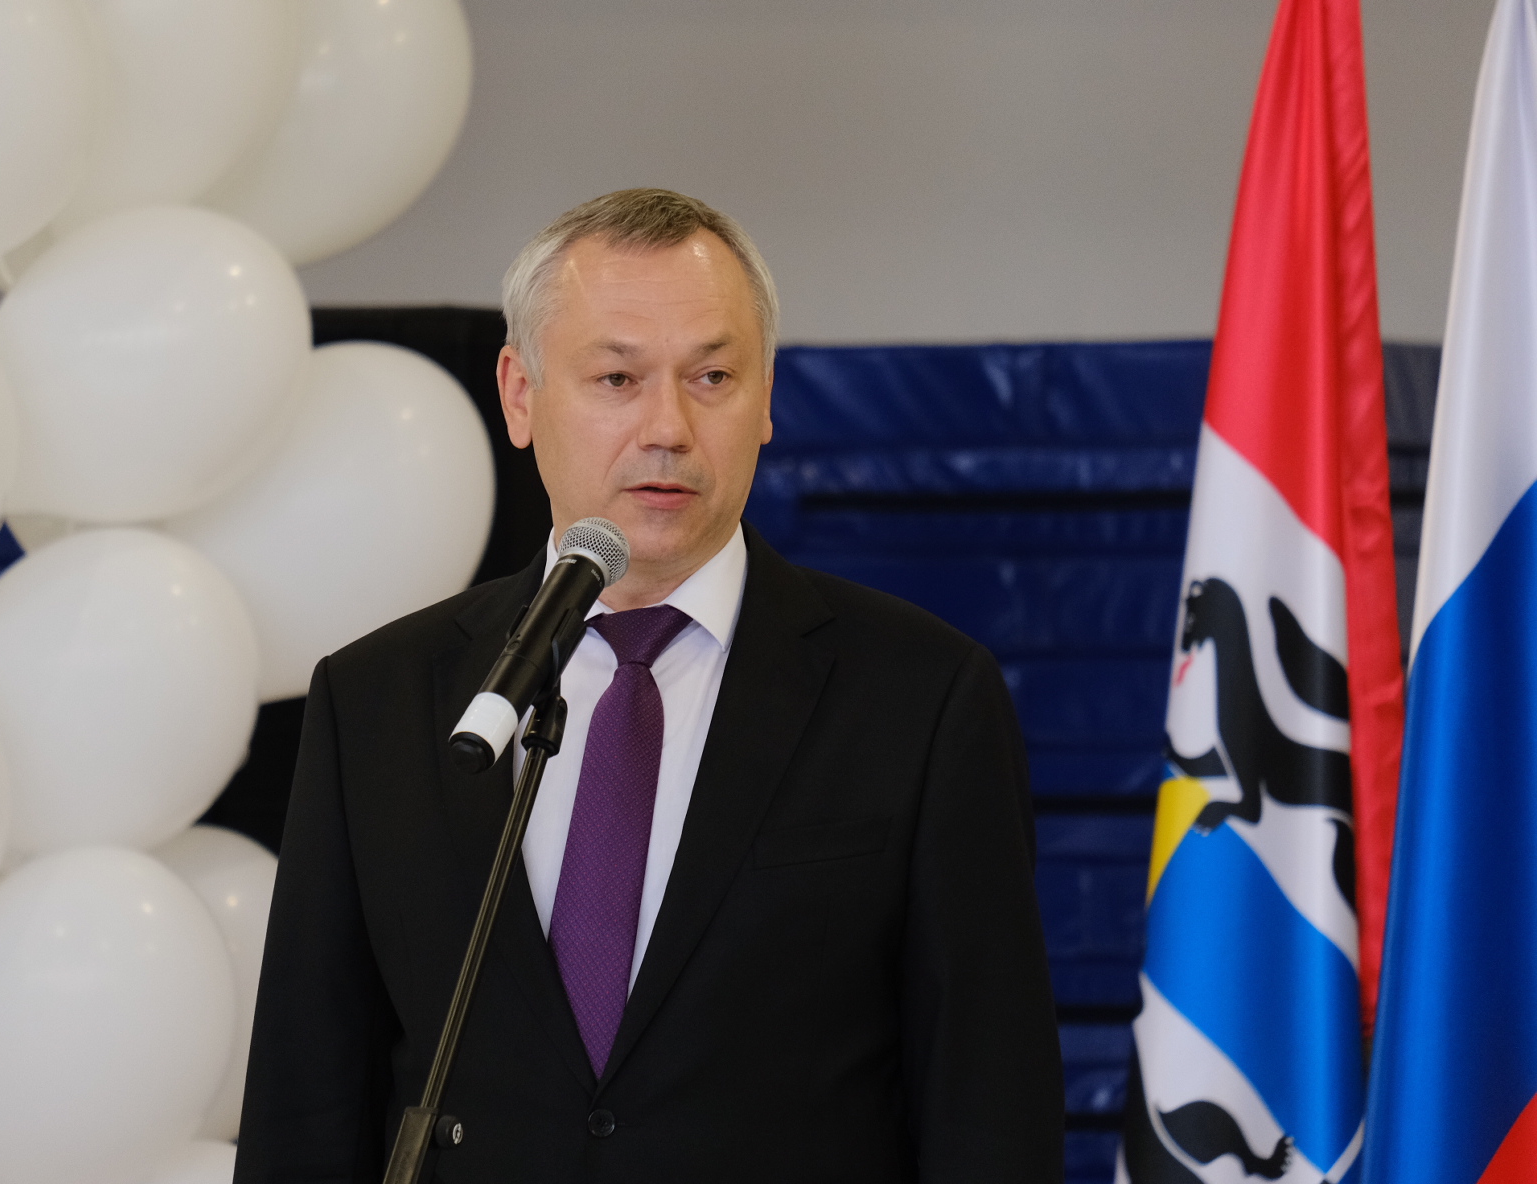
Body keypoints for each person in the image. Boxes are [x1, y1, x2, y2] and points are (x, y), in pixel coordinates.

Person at [233, 189, 1063, 1183]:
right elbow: (305, 1107)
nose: (667, 426)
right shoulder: (379, 702)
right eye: (617, 378)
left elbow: (991, 1112)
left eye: (712, 376)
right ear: (520, 394)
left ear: (766, 399)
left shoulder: (921, 699)